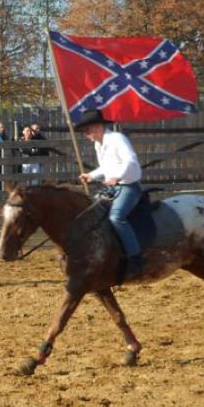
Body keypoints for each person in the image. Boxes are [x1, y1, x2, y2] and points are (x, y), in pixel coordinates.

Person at [76, 108, 145, 279]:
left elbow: (130, 160)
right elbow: (106, 167)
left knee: (116, 217)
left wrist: (118, 177)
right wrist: (91, 175)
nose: (86, 134)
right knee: (91, 214)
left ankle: (136, 258)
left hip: (128, 186)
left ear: (98, 127)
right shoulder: (98, 144)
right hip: (112, 188)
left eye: (87, 130)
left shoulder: (117, 139)